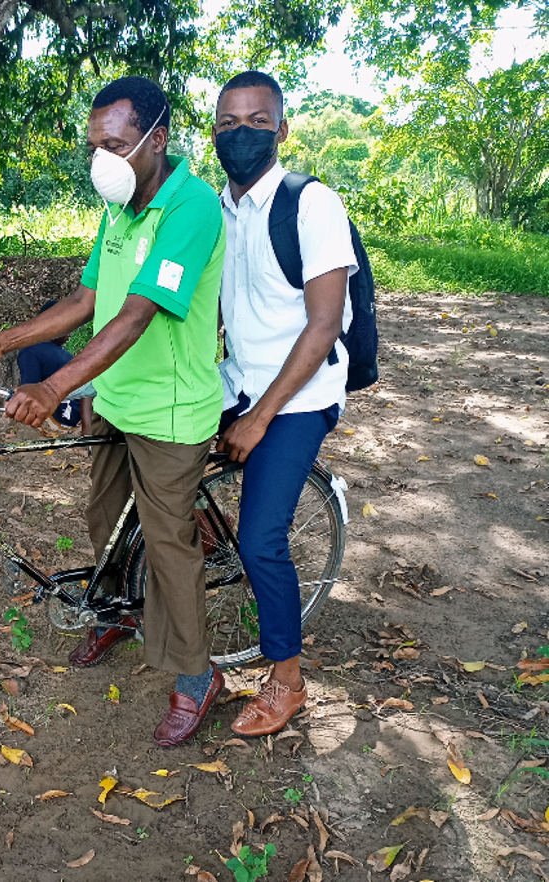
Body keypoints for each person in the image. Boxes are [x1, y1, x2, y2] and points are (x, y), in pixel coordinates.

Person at [0, 75, 226, 748]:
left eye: (113, 143)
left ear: (156, 139)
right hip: (116, 397)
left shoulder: (190, 208)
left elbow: (137, 315)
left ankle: (197, 678)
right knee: (104, 517)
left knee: (169, 544)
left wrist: (53, 389)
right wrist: (2, 340)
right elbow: (85, 302)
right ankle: (114, 610)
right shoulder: (120, 209)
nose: (99, 159)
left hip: (170, 409)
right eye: (93, 145)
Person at [212, 71, 357, 737]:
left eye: (255, 122)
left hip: (296, 397)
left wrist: (260, 416)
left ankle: (288, 680)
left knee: (262, 539)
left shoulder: (310, 204)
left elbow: (323, 324)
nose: (239, 134)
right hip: (234, 382)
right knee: (153, 458)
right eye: (227, 124)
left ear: (282, 129)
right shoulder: (220, 206)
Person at [17, 301, 93, 436]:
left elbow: (29, 392)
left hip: (66, 417)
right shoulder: (56, 354)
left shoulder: (30, 351)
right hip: (77, 412)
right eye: (68, 326)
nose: (70, 333)